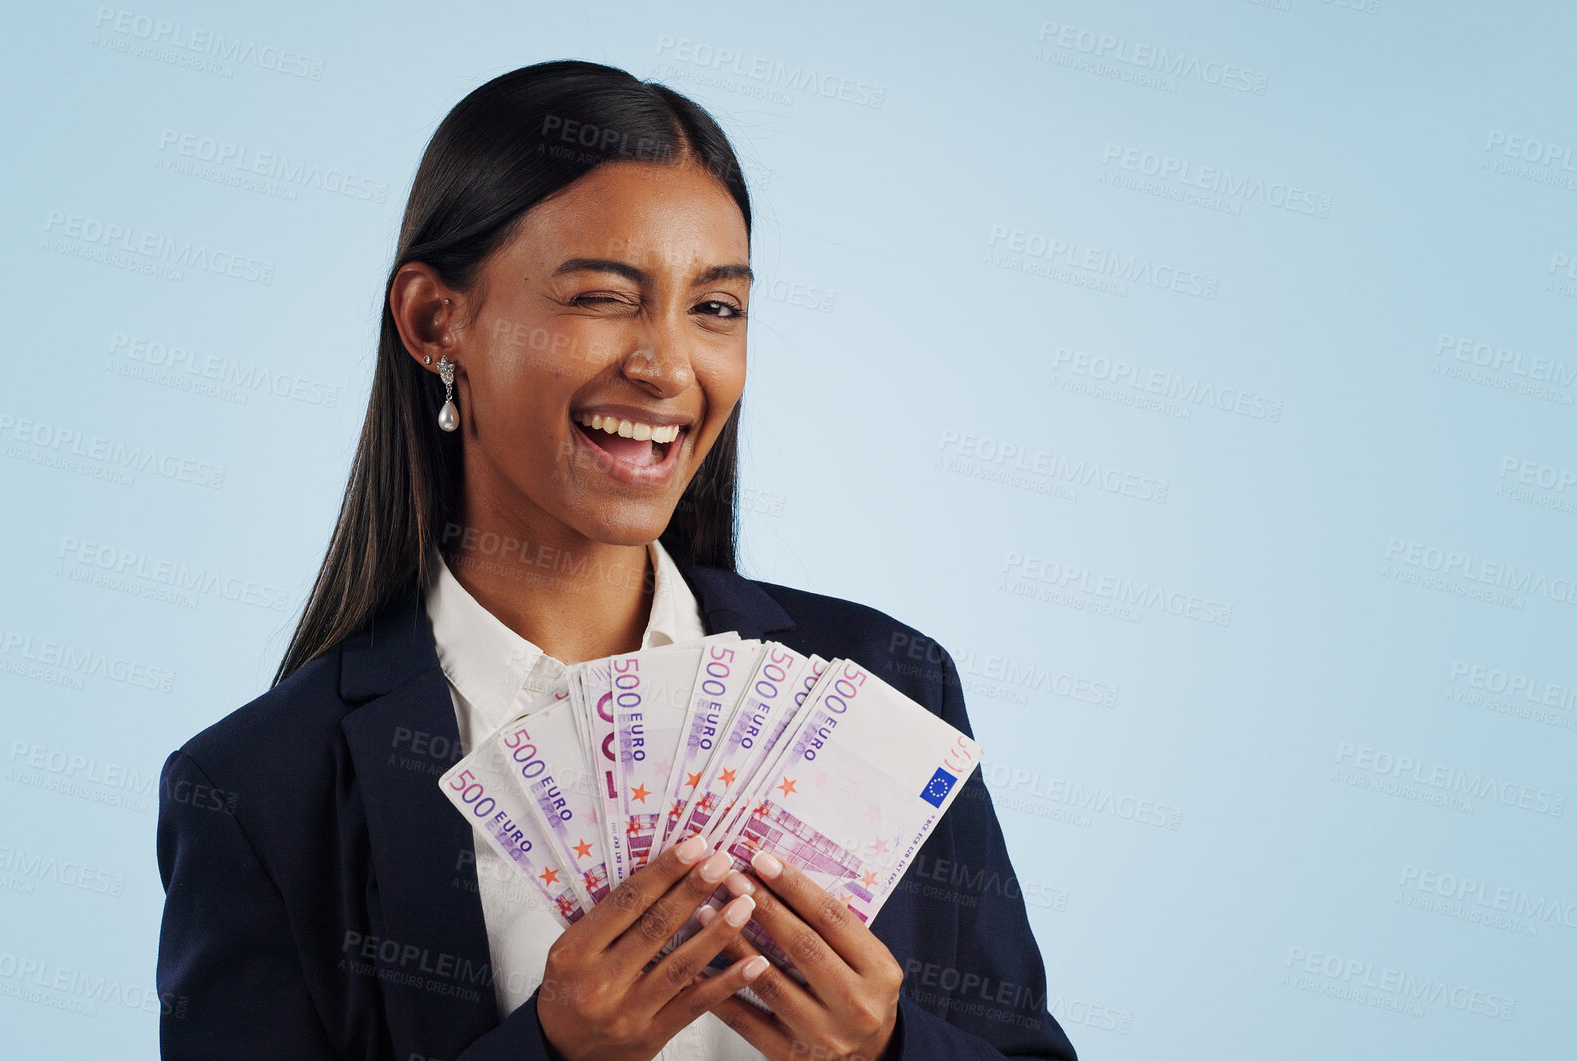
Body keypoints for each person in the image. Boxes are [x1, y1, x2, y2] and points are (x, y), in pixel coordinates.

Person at [155, 59, 1077, 1061]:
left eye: (715, 309)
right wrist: (551, 1050)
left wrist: (886, 1050)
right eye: (602, 296)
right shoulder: (259, 787)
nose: (667, 365)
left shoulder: (887, 681)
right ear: (435, 321)